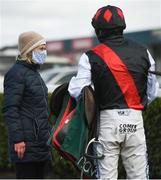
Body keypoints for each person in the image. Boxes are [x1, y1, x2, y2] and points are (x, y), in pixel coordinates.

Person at [68, 5, 158, 179]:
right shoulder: (144, 51)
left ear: (99, 30)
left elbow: (76, 91)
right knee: (139, 176)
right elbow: (153, 92)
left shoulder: (90, 56)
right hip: (135, 120)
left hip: (107, 122)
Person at [3, 31, 51, 179]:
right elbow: (11, 109)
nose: (45, 52)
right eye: (41, 48)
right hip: (26, 146)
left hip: (41, 143)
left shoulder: (34, 73)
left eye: (45, 48)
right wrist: (18, 140)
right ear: (29, 51)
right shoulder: (16, 74)